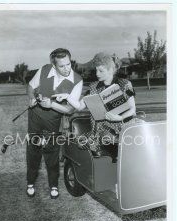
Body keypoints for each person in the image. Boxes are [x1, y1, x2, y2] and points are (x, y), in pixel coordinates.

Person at [26, 48, 83, 198]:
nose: (66, 69)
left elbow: (70, 110)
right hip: (35, 115)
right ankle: (30, 182)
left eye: (68, 64)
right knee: (33, 149)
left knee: (52, 151)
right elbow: (31, 86)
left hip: (54, 118)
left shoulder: (77, 80)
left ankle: (53, 186)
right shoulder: (44, 69)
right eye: (62, 66)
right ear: (54, 65)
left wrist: (51, 105)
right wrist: (31, 97)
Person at [79, 52, 142, 160]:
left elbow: (132, 109)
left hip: (123, 127)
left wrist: (121, 117)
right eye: (96, 70)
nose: (97, 73)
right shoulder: (93, 87)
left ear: (111, 70)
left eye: (101, 71)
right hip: (101, 131)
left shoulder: (124, 84)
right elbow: (79, 106)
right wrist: (67, 98)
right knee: (82, 141)